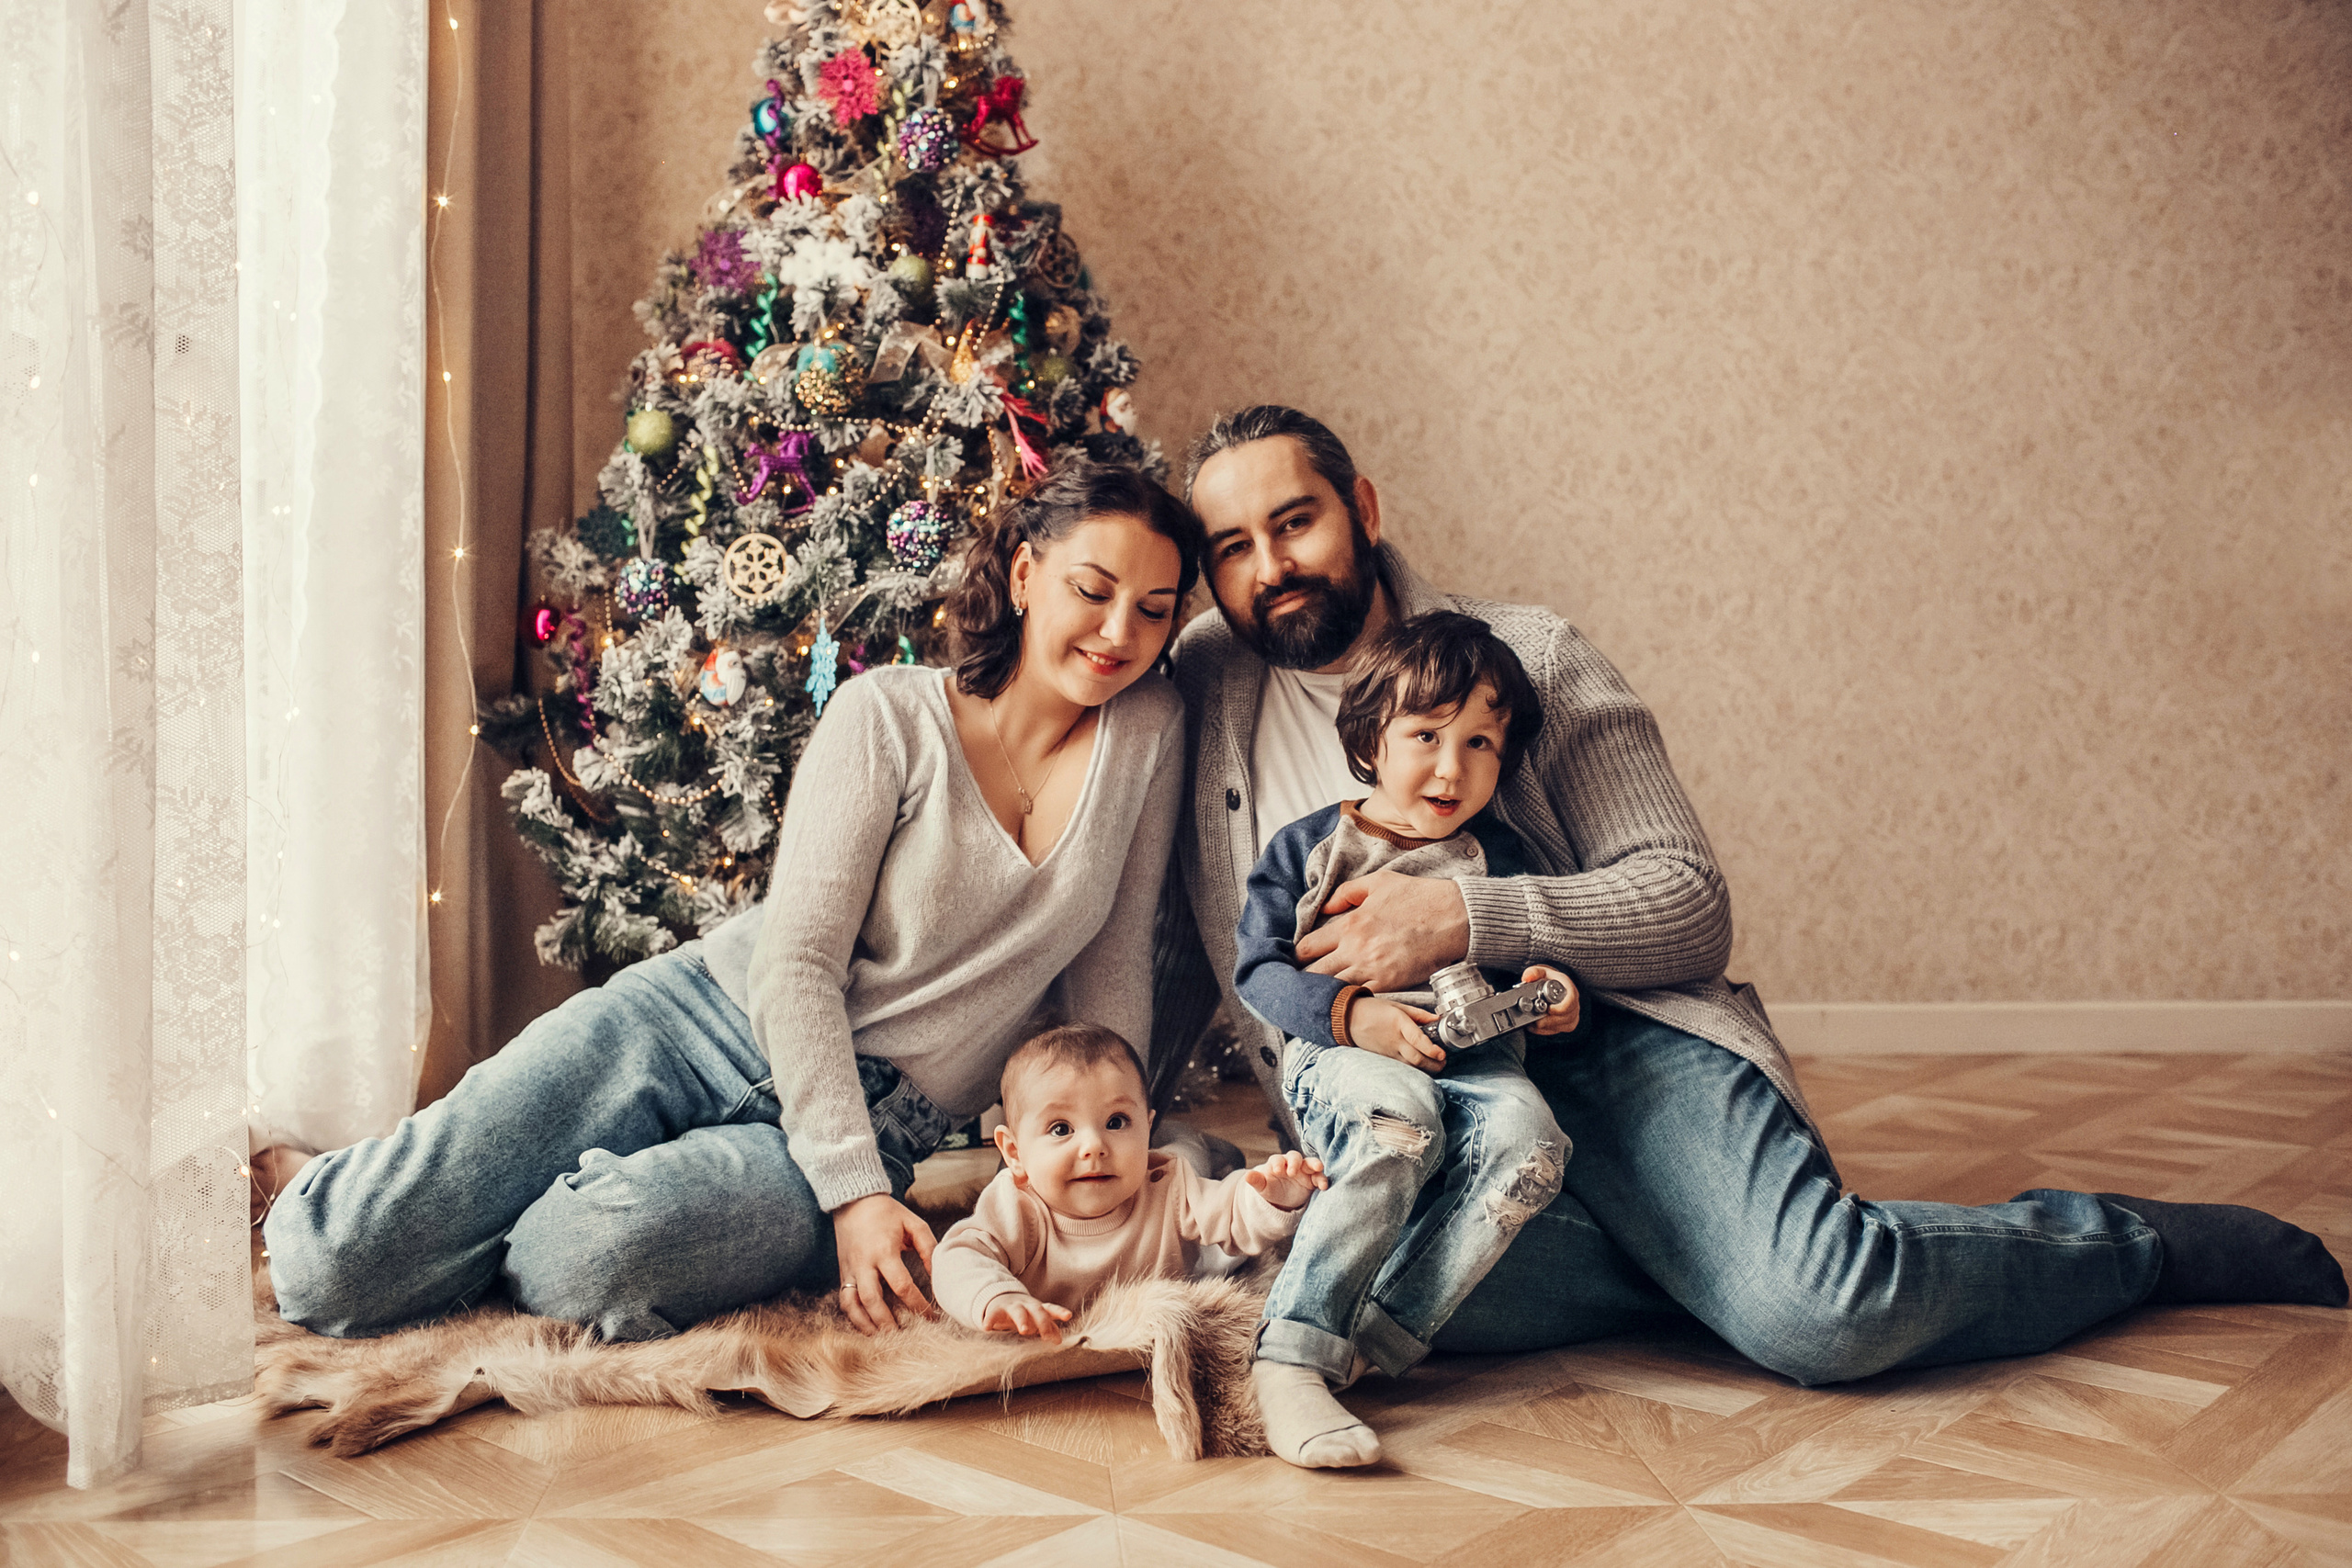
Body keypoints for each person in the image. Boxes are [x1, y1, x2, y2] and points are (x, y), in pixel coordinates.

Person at [1147, 405, 2345, 1427]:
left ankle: (2131, 1244)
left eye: (1294, 522)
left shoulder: (1529, 657)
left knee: (1825, 1309)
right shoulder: (1199, 683)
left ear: (1360, 505)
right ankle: (1712, 1259)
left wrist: (1462, 916)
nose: (1270, 566)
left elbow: (1687, 900)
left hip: (1613, 1041)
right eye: (1233, 546)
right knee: (1320, 1259)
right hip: (1424, 1095)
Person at [265, 458, 1203, 1341]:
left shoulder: (1149, 731)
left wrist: (1111, 1179)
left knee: (583, 1262)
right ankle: (360, 1194)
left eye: (1154, 610)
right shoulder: (887, 715)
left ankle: (506, 1215)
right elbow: (796, 964)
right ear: (1028, 573)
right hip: (695, 1022)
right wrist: (855, 1194)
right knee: (329, 1268)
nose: (1120, 632)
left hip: (878, 1122)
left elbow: (1113, 961)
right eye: (1094, 590)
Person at [1232, 610, 1580, 1467]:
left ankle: (1375, 1332)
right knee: (1400, 1120)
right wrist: (1353, 1014)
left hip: (1482, 1056)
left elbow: (1533, 957)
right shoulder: (1314, 846)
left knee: (1533, 1145)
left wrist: (1555, 994)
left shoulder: (1500, 853)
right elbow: (1260, 973)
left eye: (1480, 744)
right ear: (1370, 740)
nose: (1451, 767)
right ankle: (1290, 1354)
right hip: (1349, 1053)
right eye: (1425, 734)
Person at [929, 1022, 1323, 1338]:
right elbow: (957, 1257)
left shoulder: (1167, 1185)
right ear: (1014, 1154)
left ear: (1144, 1128)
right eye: (1061, 1128)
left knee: (1196, 1157)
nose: (1094, 1146)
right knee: (1187, 1148)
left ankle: (1209, 1147)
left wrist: (1274, 1196)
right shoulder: (1015, 1206)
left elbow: (1233, 1210)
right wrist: (995, 1295)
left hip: (1174, 1159)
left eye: (1116, 1122)